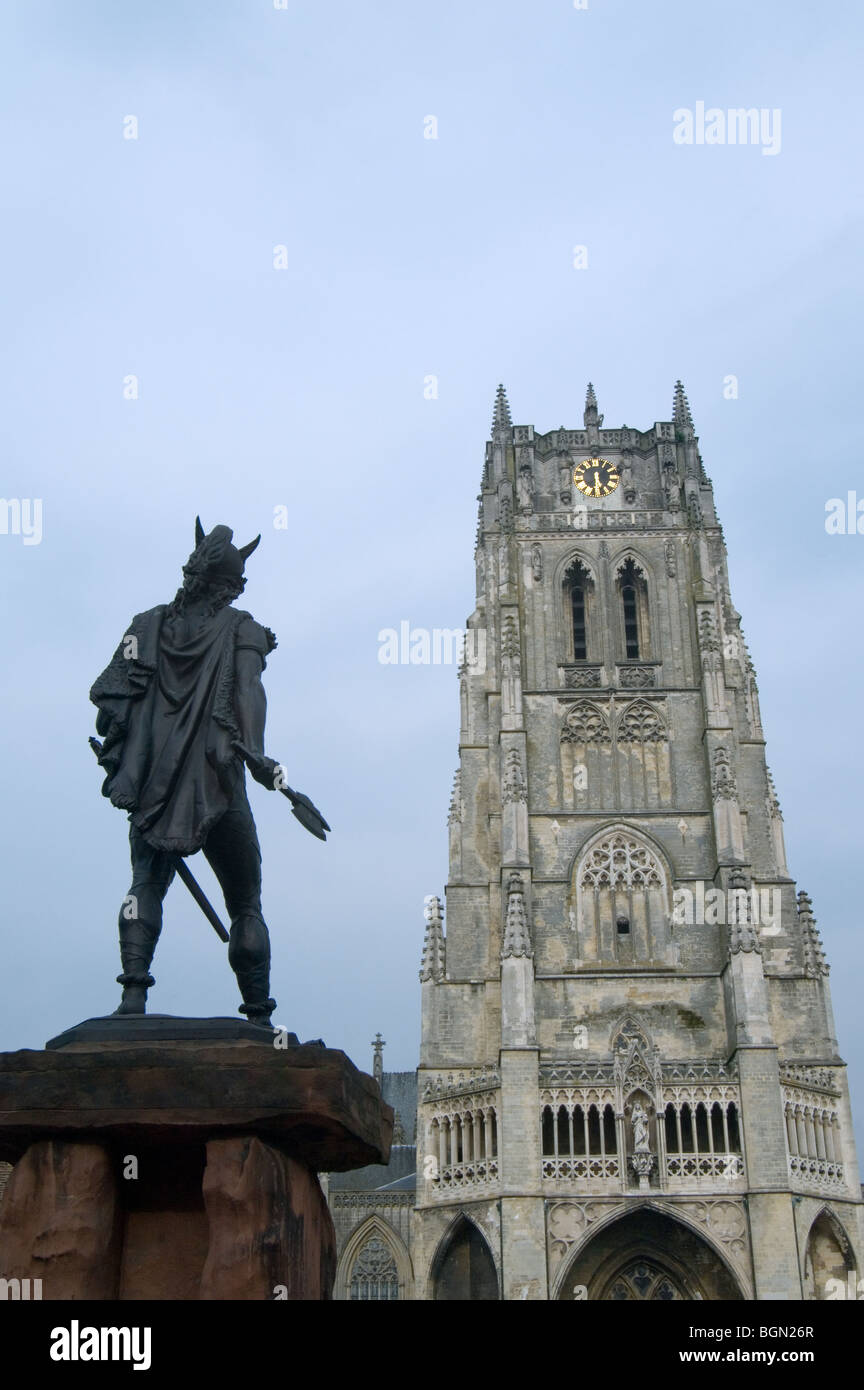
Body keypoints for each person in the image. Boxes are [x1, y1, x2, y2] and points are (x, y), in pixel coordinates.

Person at [90, 519, 281, 1026]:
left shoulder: (145, 626)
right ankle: (259, 1016)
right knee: (245, 903)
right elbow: (248, 692)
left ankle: (133, 996)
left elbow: (109, 708)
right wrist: (257, 753)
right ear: (230, 586)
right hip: (220, 787)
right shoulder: (244, 628)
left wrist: (120, 747)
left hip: (155, 790)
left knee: (143, 886)